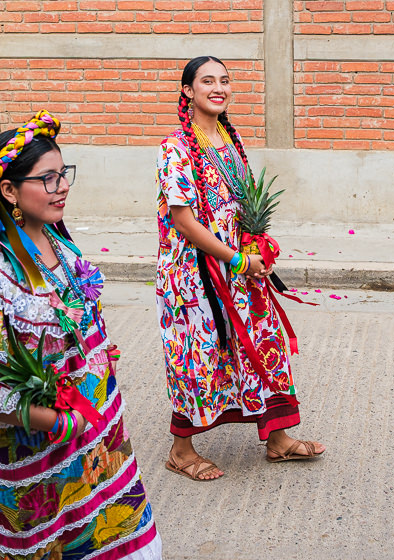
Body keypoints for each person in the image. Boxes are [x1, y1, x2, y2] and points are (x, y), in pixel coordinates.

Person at [0, 111, 162, 559]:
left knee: (110, 534)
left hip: (95, 438)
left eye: (64, 175)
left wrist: (92, 352)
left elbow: (71, 322)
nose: (62, 186)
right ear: (8, 190)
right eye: (48, 179)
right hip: (39, 455)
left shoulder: (58, 244)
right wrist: (63, 422)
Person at [155, 56, 325, 481]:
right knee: (200, 356)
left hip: (241, 269)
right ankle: (181, 450)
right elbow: (183, 220)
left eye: (225, 80)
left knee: (262, 343)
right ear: (187, 92)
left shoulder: (230, 143)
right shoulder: (174, 147)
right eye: (207, 80)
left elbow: (241, 209)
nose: (218, 87)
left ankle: (278, 437)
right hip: (194, 278)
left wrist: (256, 250)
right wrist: (235, 258)